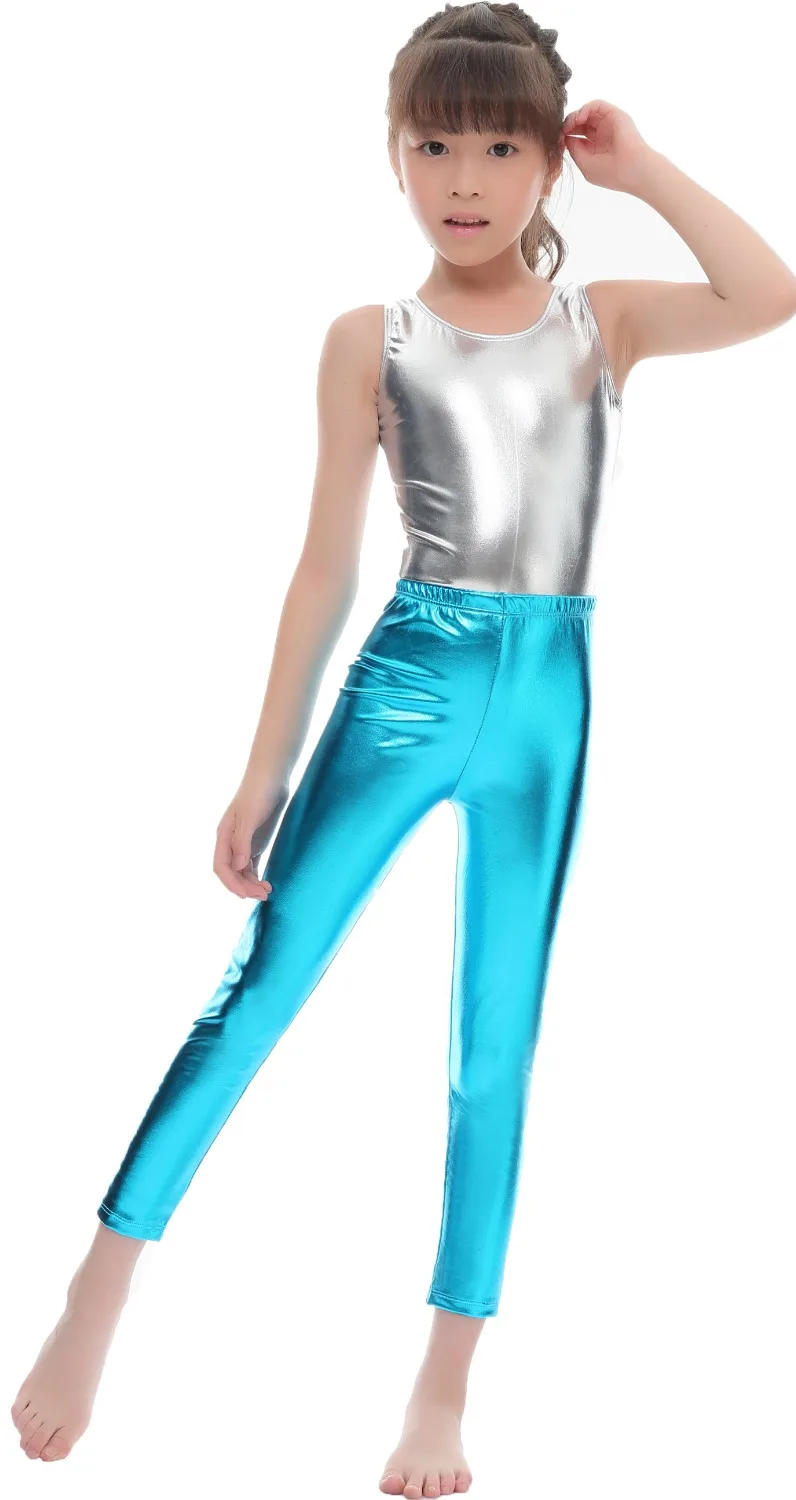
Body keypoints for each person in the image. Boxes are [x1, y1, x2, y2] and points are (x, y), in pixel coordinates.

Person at [10, 4, 796, 1494]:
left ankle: (443, 1387)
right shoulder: (369, 339)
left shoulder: (604, 324)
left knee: (496, 1043)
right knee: (262, 986)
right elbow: (324, 564)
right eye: (434, 144)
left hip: (550, 697)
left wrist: (643, 168)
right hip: (408, 684)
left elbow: (770, 293)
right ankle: (97, 1286)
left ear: (547, 162)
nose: (465, 178)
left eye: (500, 146)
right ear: (393, 154)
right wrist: (264, 765)